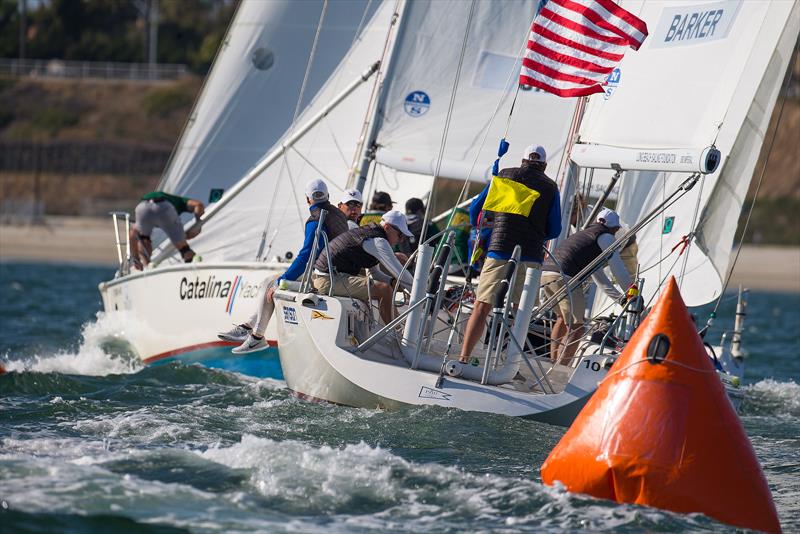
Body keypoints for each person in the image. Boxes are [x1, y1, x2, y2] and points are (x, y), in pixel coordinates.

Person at [218, 179, 349, 353]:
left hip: (326, 276)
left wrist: (284, 279)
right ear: (329, 196)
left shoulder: (315, 218)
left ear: (307, 199)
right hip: (339, 270)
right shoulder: (339, 214)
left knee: (271, 284)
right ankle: (248, 328)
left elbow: (306, 256)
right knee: (271, 282)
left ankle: (256, 336)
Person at [458, 144, 562, 364]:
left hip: (500, 248)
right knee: (520, 311)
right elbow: (555, 230)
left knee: (482, 304)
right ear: (544, 165)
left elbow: (476, 211)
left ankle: (464, 357)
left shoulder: (504, 175)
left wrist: (494, 222)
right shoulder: (551, 187)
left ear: (523, 161)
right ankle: (509, 364)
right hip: (531, 254)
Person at [540, 208, 632, 365]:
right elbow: (618, 268)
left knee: (562, 320)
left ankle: (553, 362)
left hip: (547, 273)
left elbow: (599, 279)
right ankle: (560, 367)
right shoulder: (606, 237)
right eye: (616, 230)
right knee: (577, 328)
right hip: (566, 277)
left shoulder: (585, 235)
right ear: (614, 228)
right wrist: (632, 291)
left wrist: (621, 299)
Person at [313, 210, 415, 325]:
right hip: (328, 281)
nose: (400, 240)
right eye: (400, 235)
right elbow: (401, 274)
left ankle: (398, 329)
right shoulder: (378, 241)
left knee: (386, 288)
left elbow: (375, 274)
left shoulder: (372, 235)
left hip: (331, 278)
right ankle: (398, 335)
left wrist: (392, 282)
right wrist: (423, 296)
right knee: (384, 289)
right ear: (387, 227)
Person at [130, 191, 205, 268]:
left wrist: (136, 258)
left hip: (142, 207)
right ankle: (190, 261)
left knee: (143, 238)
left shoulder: (167, 198)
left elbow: (132, 235)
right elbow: (198, 204)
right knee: (184, 248)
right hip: (163, 207)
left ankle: (146, 265)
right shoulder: (181, 202)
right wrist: (197, 226)